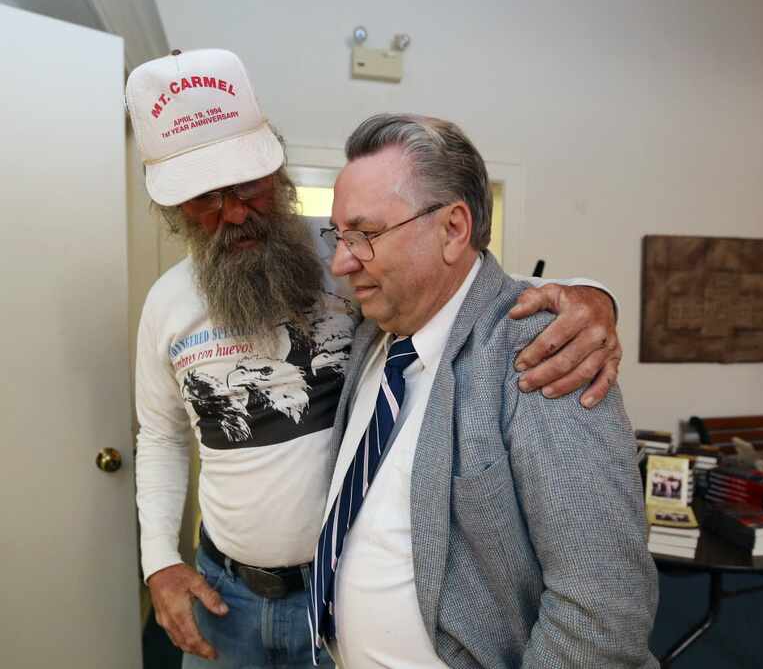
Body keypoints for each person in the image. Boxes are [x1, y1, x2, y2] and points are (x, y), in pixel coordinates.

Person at [126, 49, 623, 668]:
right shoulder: (166, 304)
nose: (231, 212)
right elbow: (160, 435)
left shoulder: (344, 254)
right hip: (225, 591)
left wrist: (589, 299)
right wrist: (159, 562)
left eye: (245, 186)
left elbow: (462, 281)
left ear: (274, 170)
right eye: (204, 199)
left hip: (330, 590)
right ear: (174, 212)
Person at [310, 113, 658, 668]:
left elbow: (602, 606)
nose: (342, 262)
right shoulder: (375, 333)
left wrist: (593, 301)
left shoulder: (543, 351)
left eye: (366, 235)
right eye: (340, 235)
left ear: (452, 229)